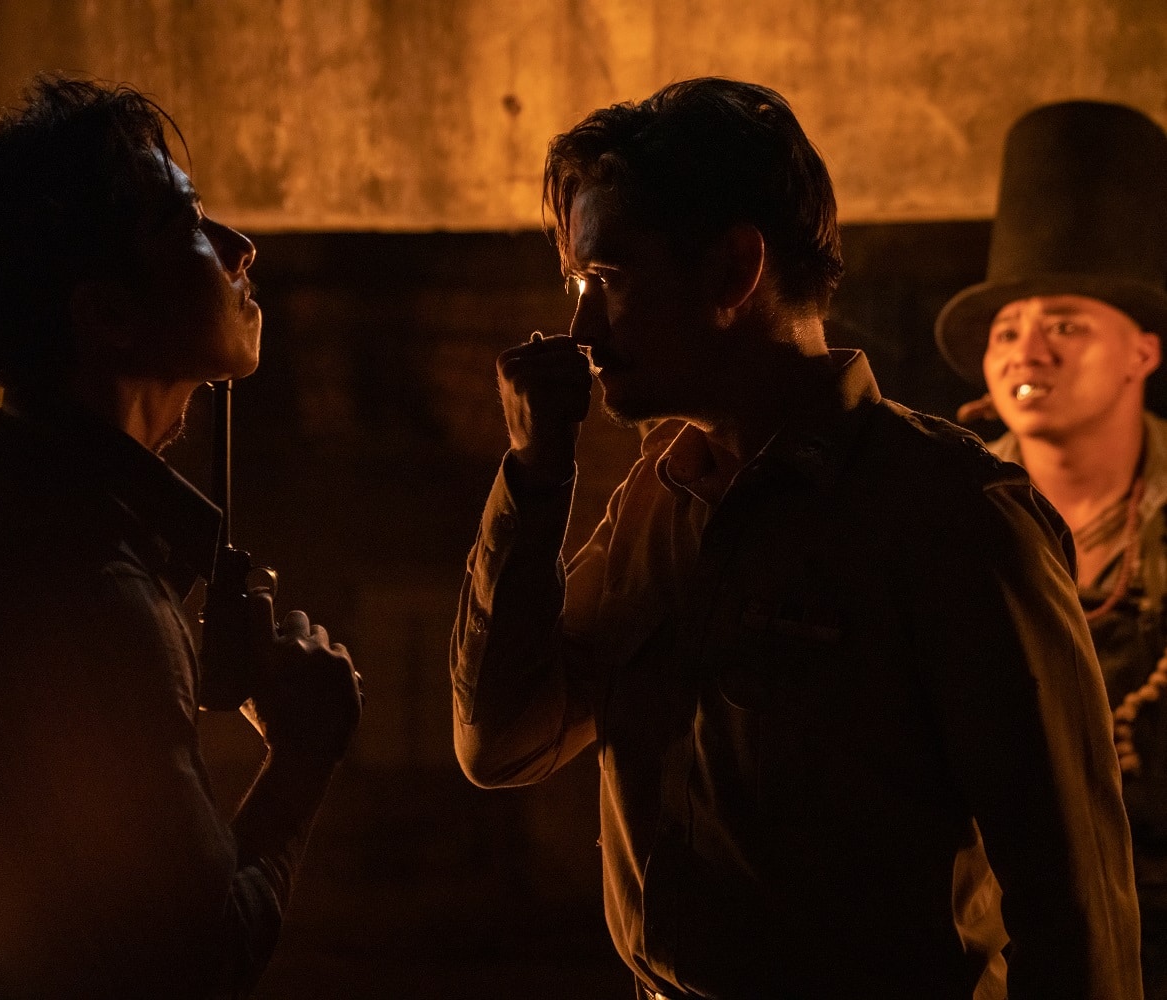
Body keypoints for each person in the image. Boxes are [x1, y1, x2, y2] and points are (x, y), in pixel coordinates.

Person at [450, 77, 1141, 999]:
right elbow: (501, 744)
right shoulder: (661, 502)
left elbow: (1074, 908)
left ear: (735, 270)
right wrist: (534, 478)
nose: (580, 330)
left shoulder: (950, 516)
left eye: (608, 280)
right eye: (578, 284)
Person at [0, 76, 361, 999]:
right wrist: (305, 753)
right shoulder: (81, 578)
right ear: (108, 314)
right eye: (187, 222)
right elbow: (193, 958)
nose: (238, 247)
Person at [937, 100, 1167, 999]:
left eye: (1066, 323)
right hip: (999, 928)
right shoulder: (944, 511)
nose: (1026, 349)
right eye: (1007, 331)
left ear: (1141, 352)